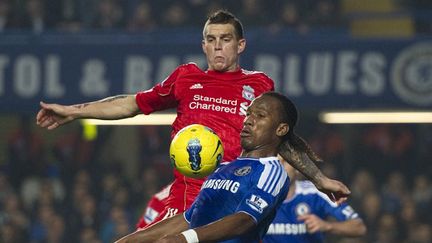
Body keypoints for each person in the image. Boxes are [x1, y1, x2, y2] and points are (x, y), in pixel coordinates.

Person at [36, 10, 348, 227]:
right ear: (203, 45)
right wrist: (73, 112)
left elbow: (281, 141)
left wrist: (319, 179)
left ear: (240, 45)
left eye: (225, 39)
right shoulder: (186, 78)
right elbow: (131, 104)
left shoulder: (260, 85)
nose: (217, 46)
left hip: (235, 195)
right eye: (210, 40)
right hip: (187, 196)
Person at [115, 92, 348, 243]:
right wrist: (135, 239)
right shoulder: (222, 167)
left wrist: (185, 240)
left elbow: (245, 219)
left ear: (280, 129)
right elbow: (190, 217)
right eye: (249, 114)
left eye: (260, 115)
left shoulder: (271, 171)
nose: (249, 120)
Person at [263, 162, 366, 243]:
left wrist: (327, 226)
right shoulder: (257, 195)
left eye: (284, 161)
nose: (279, 165)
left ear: (297, 168)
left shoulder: (316, 193)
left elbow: (359, 227)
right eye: (275, 161)